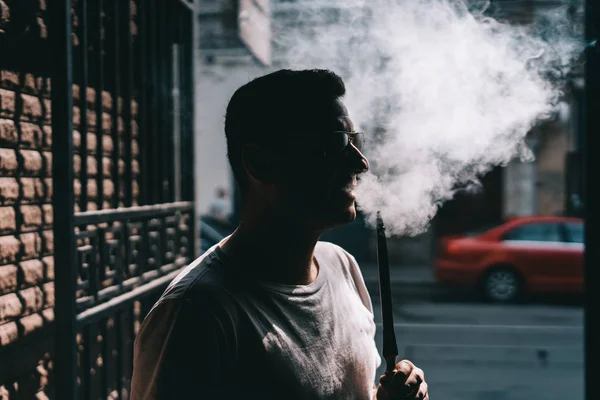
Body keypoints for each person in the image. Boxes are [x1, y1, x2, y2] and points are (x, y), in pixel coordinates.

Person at [130, 69, 429, 400]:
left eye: (355, 142)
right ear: (259, 164)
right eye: (335, 143)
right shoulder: (195, 314)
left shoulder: (342, 266)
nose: (361, 163)